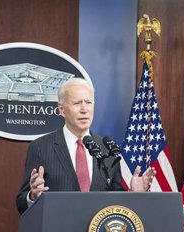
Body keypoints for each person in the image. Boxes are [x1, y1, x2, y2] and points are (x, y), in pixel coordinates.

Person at [16, 78, 153, 214]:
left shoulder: (107, 148)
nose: (84, 109)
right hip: (58, 231)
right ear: (62, 110)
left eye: (88, 102)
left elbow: (116, 201)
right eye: (77, 103)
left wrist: (134, 194)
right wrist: (32, 196)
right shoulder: (41, 147)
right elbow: (21, 203)